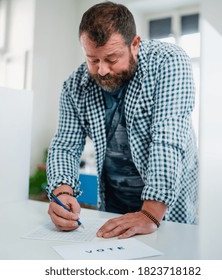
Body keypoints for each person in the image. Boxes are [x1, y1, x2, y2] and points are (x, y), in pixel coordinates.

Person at [46, 1, 198, 239]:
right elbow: (65, 145)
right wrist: (62, 192)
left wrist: (150, 214)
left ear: (135, 44)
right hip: (113, 203)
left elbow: (168, 138)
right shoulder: (73, 86)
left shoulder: (168, 62)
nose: (102, 70)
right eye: (93, 60)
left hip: (165, 206)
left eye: (112, 59)